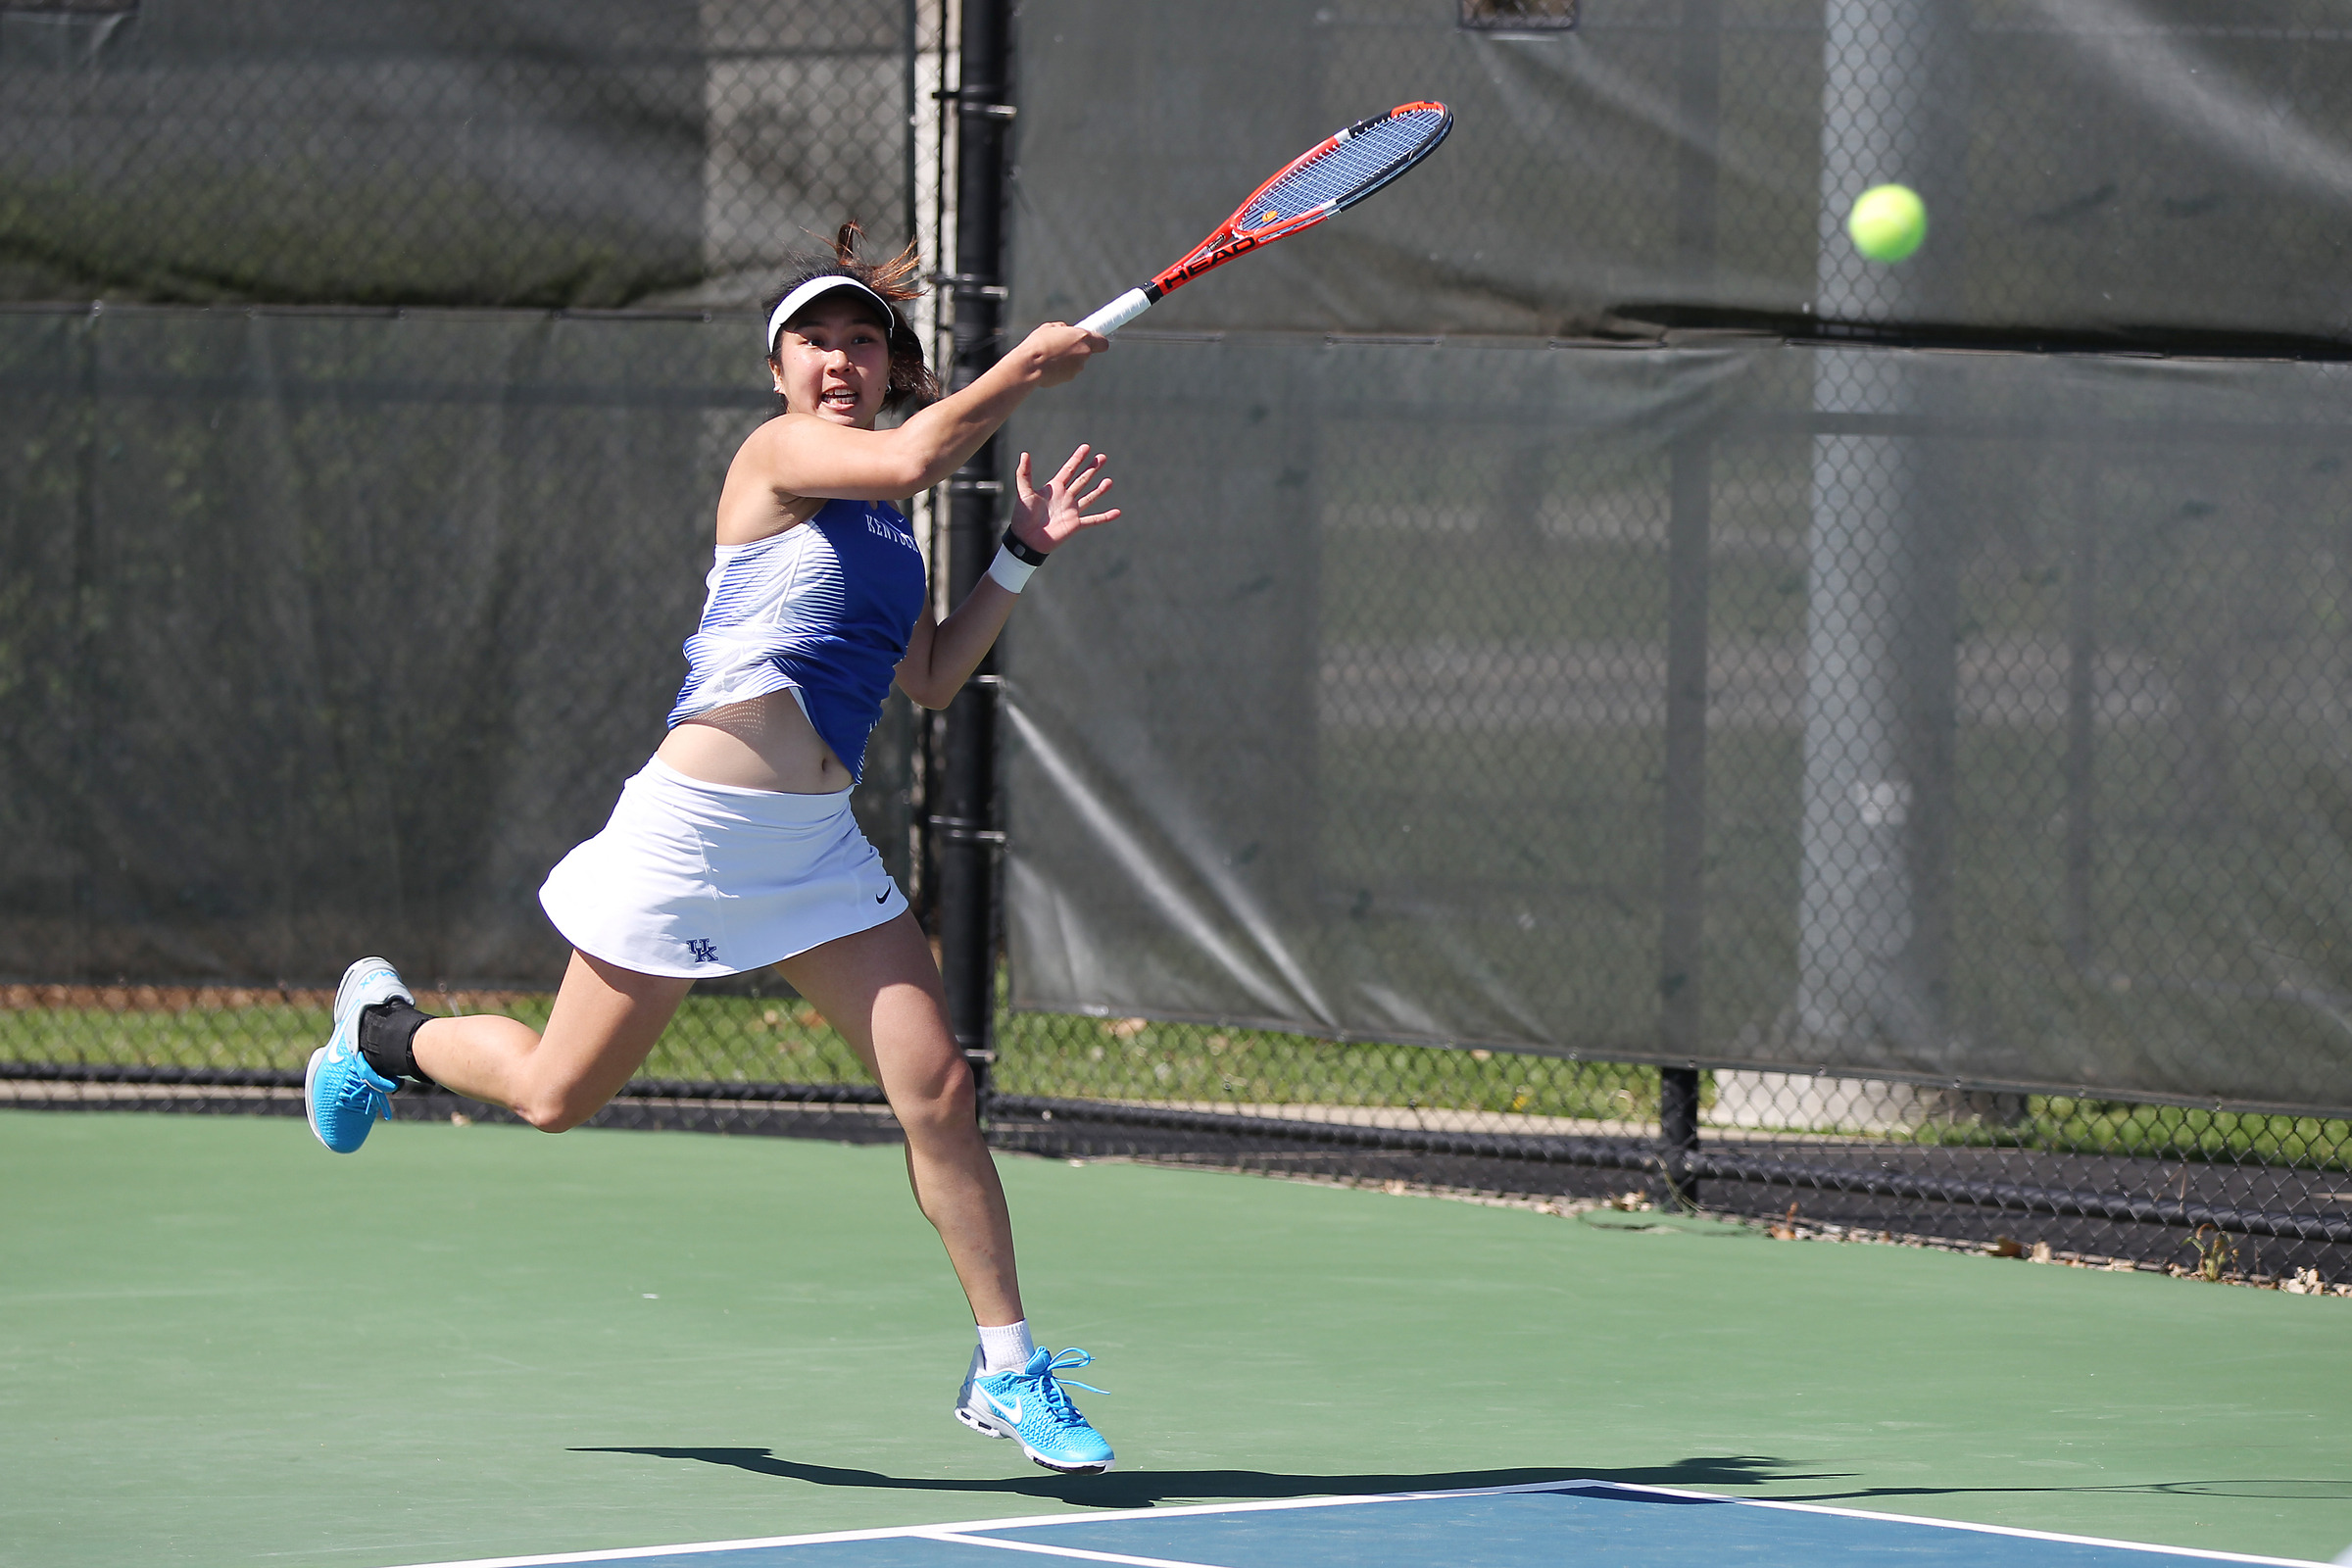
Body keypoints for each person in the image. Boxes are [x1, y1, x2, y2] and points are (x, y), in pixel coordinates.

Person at [301, 223, 1123, 1475]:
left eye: (864, 340)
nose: (840, 359)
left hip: (813, 850)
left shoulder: (893, 535)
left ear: (893, 363)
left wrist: (1020, 554)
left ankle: (1009, 1367)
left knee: (941, 1091)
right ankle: (381, 1035)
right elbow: (916, 448)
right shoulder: (781, 458)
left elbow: (938, 677)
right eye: (816, 342)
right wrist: (1017, 371)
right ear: (781, 372)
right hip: (690, 834)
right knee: (552, 1098)